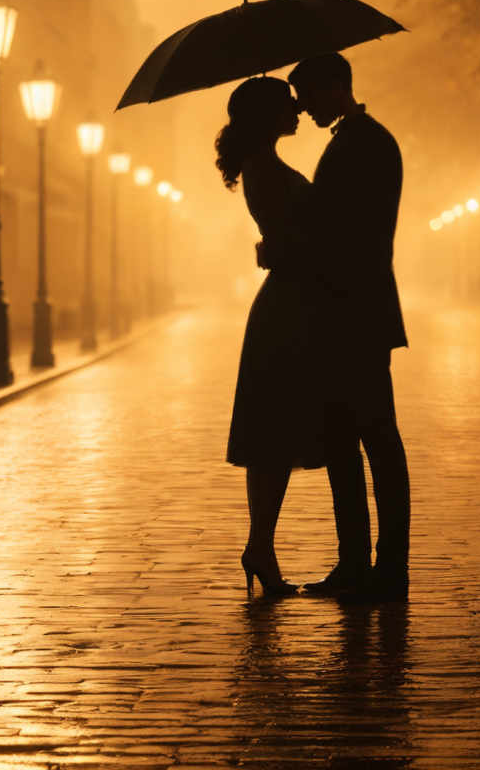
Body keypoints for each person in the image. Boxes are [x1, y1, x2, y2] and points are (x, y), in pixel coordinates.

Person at [287, 52, 411, 604]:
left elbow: (344, 230)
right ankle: (360, 561)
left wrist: (292, 239)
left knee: (374, 438)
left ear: (334, 87)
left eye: (307, 95)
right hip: (351, 307)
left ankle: (385, 565)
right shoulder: (361, 139)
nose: (303, 107)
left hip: (351, 309)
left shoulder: (362, 143)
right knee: (346, 438)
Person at [216, 75, 329, 599]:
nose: (299, 109)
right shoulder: (266, 168)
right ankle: (260, 544)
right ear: (266, 115)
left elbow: (280, 237)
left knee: (272, 436)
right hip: (288, 308)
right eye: (288, 103)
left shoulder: (261, 165)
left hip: (286, 302)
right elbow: (291, 240)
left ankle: (260, 545)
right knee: (273, 435)